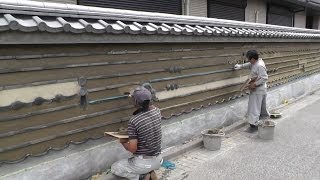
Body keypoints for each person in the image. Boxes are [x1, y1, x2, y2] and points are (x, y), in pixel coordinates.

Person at [110, 86, 162, 180]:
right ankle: (149, 170)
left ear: (136, 103)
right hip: (158, 159)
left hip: (144, 162)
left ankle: (143, 176)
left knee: (115, 167)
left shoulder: (134, 121)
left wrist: (123, 141)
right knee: (138, 161)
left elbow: (133, 149)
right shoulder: (157, 111)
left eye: (133, 99)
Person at [234, 50, 270, 131]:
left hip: (258, 90)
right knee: (260, 107)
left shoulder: (259, 66)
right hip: (261, 89)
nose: (249, 61)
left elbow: (264, 78)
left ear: (253, 58)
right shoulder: (256, 62)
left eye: (249, 59)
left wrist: (254, 84)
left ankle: (253, 126)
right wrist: (241, 66)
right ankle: (263, 121)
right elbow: (250, 64)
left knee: (254, 107)